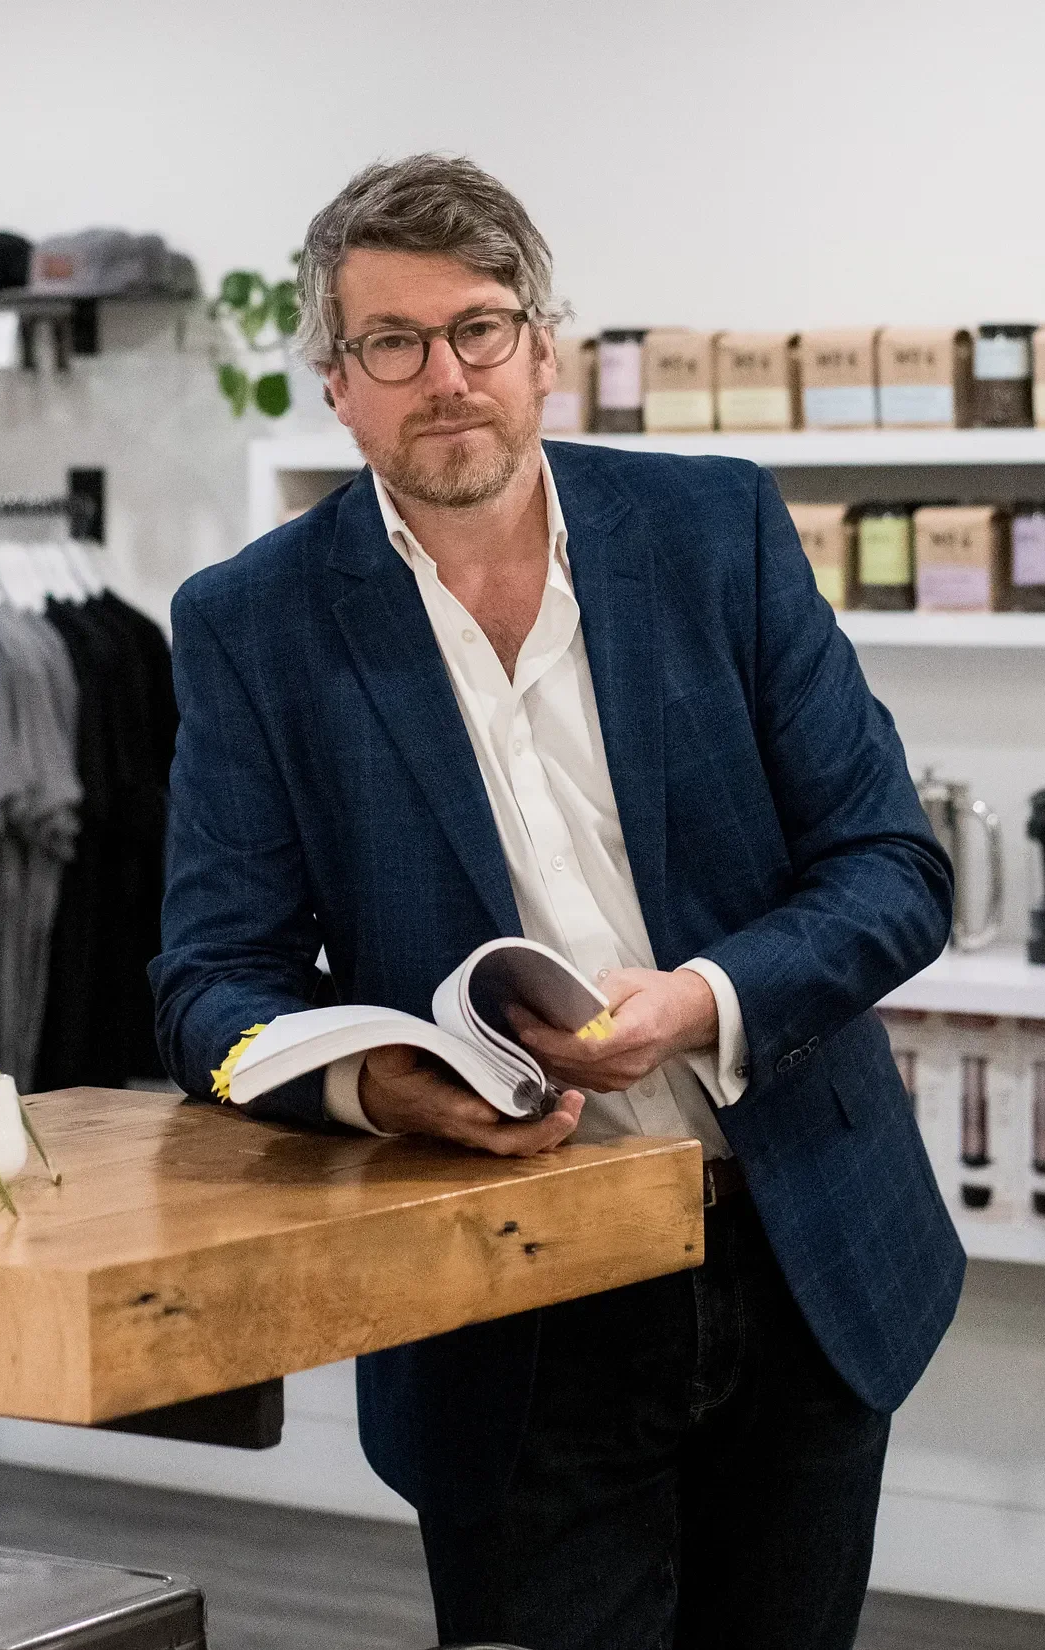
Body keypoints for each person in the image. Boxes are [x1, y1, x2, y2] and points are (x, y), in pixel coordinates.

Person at [149, 154, 965, 1650]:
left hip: (796, 1254)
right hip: (508, 1305)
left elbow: (894, 868)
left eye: (478, 328)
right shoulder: (249, 623)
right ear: (337, 383)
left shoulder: (717, 533)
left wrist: (700, 999)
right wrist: (368, 1083)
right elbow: (209, 981)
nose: (442, 375)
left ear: (544, 346)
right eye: (390, 342)